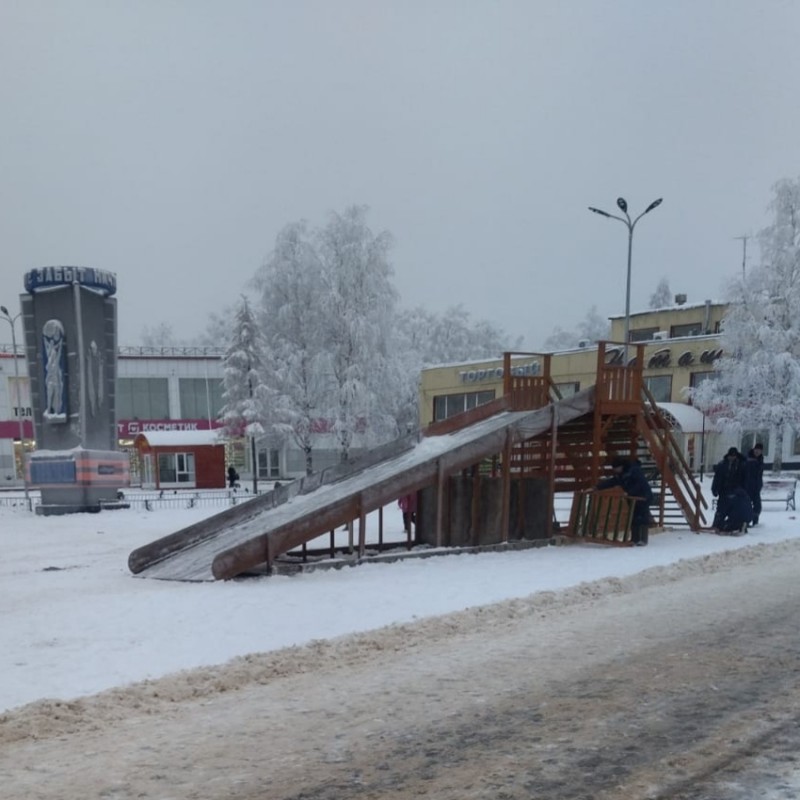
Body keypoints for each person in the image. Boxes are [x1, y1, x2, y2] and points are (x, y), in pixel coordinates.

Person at [596, 457, 654, 546]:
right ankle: (635, 539)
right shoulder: (621, 475)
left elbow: (640, 484)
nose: (615, 470)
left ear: (621, 466)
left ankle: (643, 539)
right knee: (633, 517)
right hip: (632, 498)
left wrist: (629, 492)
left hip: (643, 496)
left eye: (616, 468)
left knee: (642, 516)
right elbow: (611, 482)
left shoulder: (634, 471)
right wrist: (597, 487)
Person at [711, 447, 751, 532]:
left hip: (736, 492)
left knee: (735, 510)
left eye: (733, 456)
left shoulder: (741, 465)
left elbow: (745, 479)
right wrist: (714, 489)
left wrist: (743, 490)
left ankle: (737, 525)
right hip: (724, 491)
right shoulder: (722, 465)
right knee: (721, 509)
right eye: (730, 456)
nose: (732, 458)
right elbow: (717, 478)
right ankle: (718, 525)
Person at [744, 443, 765, 526]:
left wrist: (759, 484)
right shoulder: (748, 458)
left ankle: (755, 521)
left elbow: (759, 474)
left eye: (759, 450)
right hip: (747, 486)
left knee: (758, 506)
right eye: (756, 449)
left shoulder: (760, 459)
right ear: (754, 449)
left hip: (756, 487)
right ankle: (746, 521)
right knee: (747, 505)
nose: (757, 451)